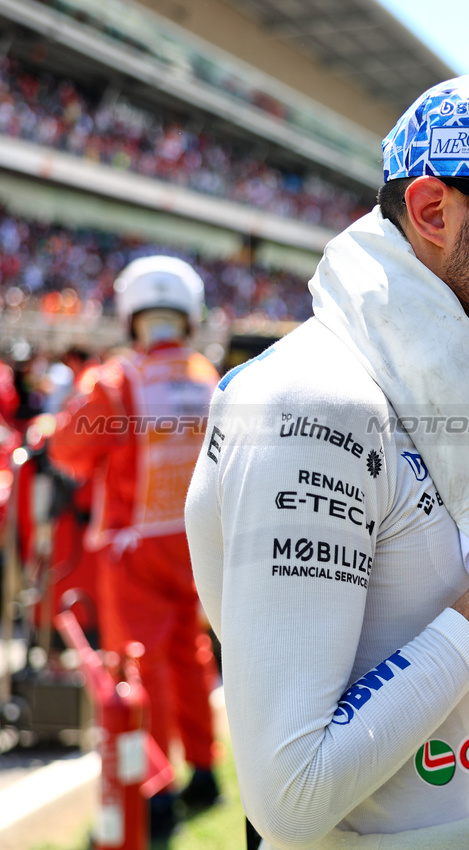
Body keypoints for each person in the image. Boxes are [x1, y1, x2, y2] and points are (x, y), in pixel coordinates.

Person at [185, 74, 469, 849]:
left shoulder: (425, 385)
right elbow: (290, 801)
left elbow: (406, 606)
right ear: (434, 210)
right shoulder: (315, 402)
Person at [45, 256, 223, 836]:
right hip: (192, 542)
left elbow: (68, 450)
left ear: (131, 312)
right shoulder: (207, 374)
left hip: (132, 549)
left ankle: (156, 789)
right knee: (190, 656)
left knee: (139, 665)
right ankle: (203, 771)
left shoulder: (117, 380)